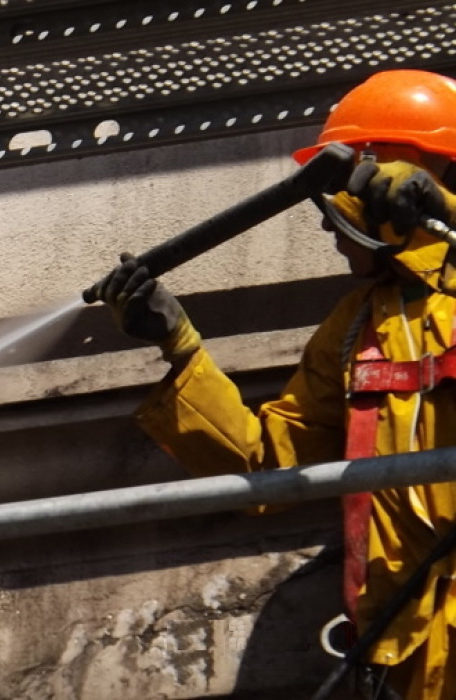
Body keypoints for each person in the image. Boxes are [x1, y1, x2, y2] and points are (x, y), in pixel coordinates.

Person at [96, 69, 456, 700]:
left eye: (340, 197)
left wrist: (448, 216)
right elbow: (267, 467)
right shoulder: (358, 329)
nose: (327, 227)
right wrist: (179, 348)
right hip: (406, 655)